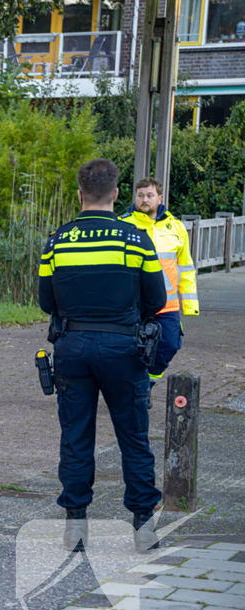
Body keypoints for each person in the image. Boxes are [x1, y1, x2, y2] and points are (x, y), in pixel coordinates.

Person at [38, 158, 167, 554]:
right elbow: (157, 300)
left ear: (80, 195)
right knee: (133, 437)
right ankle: (144, 525)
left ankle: (75, 527)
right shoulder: (135, 239)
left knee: (76, 437)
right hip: (123, 349)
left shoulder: (57, 241)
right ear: (115, 194)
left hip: (72, 349)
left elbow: (46, 303)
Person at [120, 178, 199, 401]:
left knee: (169, 345)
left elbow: (186, 267)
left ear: (160, 198)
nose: (144, 199)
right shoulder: (123, 225)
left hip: (168, 304)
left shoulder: (176, 227)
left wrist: (191, 304)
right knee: (131, 349)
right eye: (140, 195)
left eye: (149, 195)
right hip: (134, 303)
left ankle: (145, 385)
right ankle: (136, 391)